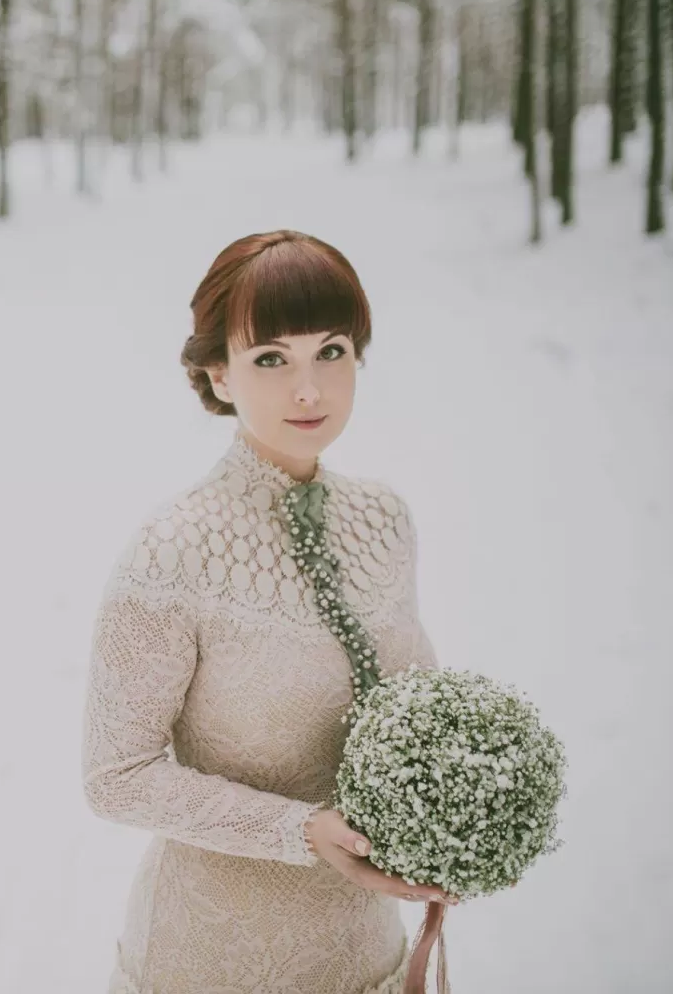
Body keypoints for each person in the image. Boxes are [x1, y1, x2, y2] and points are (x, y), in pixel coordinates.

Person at [80, 230, 458, 994]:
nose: (309, 390)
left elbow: (421, 706)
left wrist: (454, 819)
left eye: (332, 351)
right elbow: (116, 776)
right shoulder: (169, 556)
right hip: (209, 954)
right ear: (219, 375)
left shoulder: (385, 519)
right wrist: (297, 831)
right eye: (271, 360)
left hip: (366, 947)